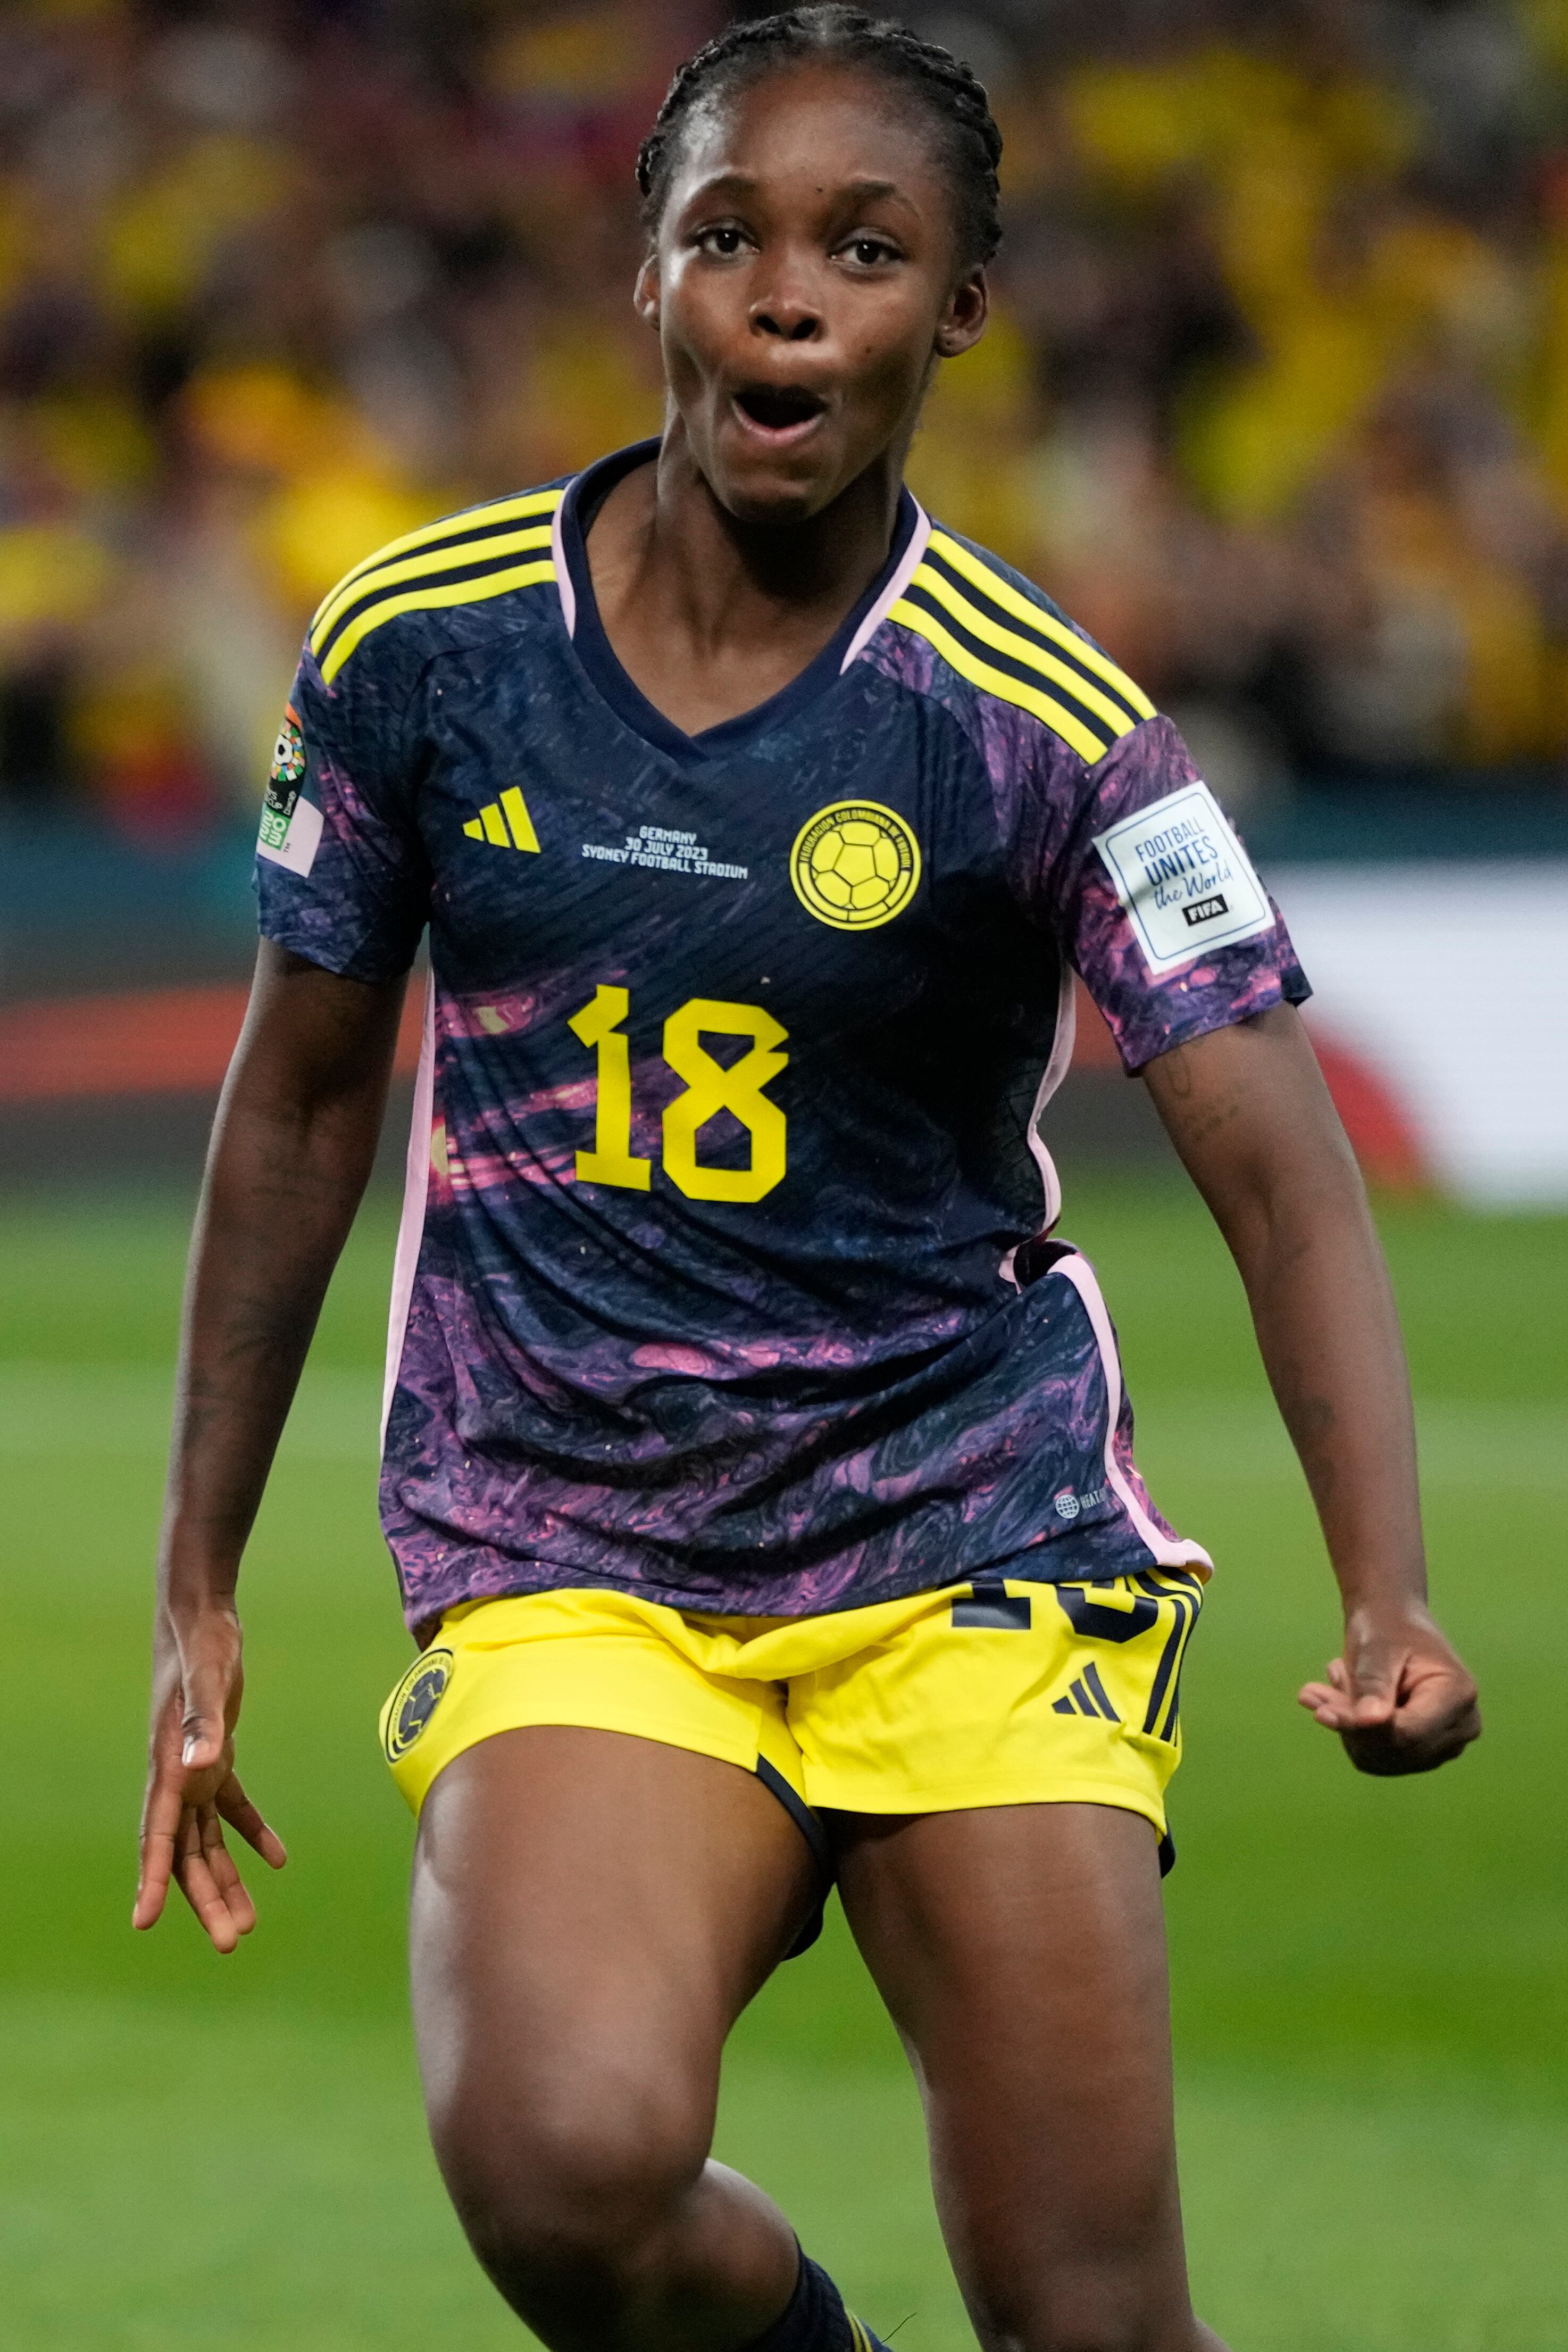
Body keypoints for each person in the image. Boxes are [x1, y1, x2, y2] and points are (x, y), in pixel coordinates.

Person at [134, 11, 1481, 2350]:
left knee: (1086, 2314)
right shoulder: (416, 647)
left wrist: (1386, 1585)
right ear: (645, 273)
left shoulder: (1035, 717)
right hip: (567, 1538)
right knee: (563, 2163)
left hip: (964, 1529)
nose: (784, 296)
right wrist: (200, 1585)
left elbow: (1272, 1161)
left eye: (862, 252)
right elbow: (295, 1107)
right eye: (725, 234)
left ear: (952, 307)